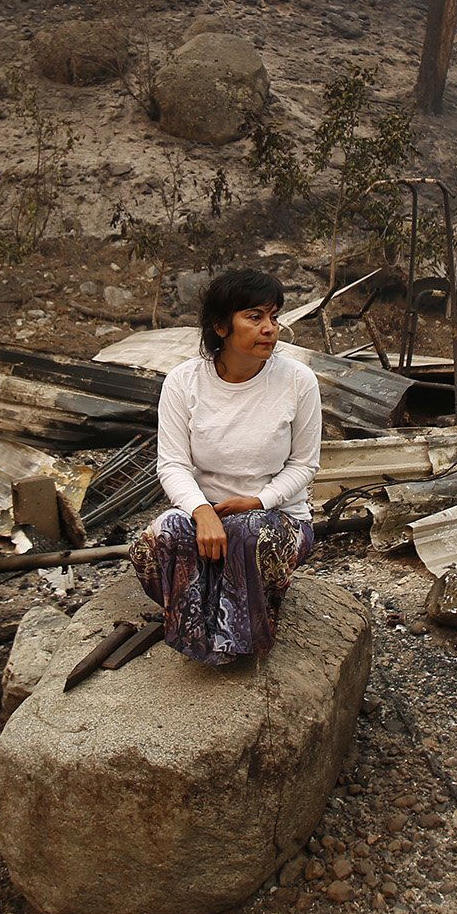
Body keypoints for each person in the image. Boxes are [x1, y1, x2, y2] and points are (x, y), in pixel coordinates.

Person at [130, 268, 322, 664]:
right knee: (158, 539)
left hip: (275, 516)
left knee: (247, 535)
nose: (270, 328)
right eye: (254, 317)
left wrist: (258, 500)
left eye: (273, 316)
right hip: (208, 516)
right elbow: (172, 464)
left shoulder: (298, 381)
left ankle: (240, 641)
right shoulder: (184, 382)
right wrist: (201, 511)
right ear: (221, 326)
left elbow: (304, 465)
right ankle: (196, 628)